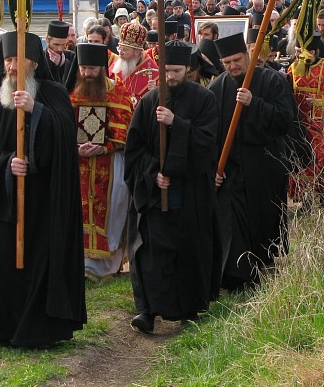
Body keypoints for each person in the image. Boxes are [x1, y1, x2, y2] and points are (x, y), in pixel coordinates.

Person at [0, 31, 86, 347]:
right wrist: (7, 163)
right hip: (1, 204)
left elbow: (65, 141)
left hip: (42, 202)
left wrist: (36, 110)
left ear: (34, 63)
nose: (12, 67)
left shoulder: (53, 94)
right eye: (8, 60)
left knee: (40, 262)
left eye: (19, 60)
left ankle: (39, 330)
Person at [124, 40, 220, 332]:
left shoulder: (204, 99)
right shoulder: (149, 101)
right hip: (154, 194)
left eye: (176, 71)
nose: (170, 76)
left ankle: (188, 308)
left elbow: (206, 143)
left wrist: (176, 123)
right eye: (166, 71)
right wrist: (154, 173)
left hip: (189, 191)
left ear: (188, 69)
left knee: (188, 250)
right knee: (150, 252)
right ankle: (147, 311)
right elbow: (135, 149)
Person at [209, 32, 295, 291]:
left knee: (263, 218)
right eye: (227, 63)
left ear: (248, 56)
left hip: (264, 166)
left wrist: (253, 103)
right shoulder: (216, 88)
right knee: (233, 222)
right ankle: (238, 275)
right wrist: (214, 165)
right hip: (232, 169)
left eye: (237, 60)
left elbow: (285, 120)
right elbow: (209, 132)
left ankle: (263, 263)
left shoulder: (272, 80)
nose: (233, 66)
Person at [70, 43, 134, 280]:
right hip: (78, 163)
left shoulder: (118, 92)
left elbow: (127, 129)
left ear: (102, 68)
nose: (87, 73)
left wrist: (105, 146)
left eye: (92, 69)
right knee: (79, 209)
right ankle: (81, 263)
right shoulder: (71, 92)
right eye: (83, 68)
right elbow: (62, 126)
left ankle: (108, 266)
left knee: (113, 209)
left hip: (111, 163)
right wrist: (76, 147)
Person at [288, 33, 324, 201]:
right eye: (296, 51)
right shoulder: (293, 68)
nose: (297, 55)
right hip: (300, 124)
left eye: (300, 52)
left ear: (312, 52)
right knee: (301, 160)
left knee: (323, 160)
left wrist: (319, 100)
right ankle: (304, 198)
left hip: (323, 125)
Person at [109, 21, 159, 104]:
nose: (120, 53)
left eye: (125, 49)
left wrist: (154, 92)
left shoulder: (153, 73)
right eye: (119, 48)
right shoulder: (117, 64)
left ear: (137, 52)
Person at [45, 20, 77, 91]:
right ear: (47, 39)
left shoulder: (71, 56)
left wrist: (63, 63)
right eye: (56, 44)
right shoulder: (40, 56)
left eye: (63, 45)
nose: (59, 49)